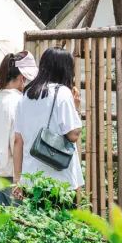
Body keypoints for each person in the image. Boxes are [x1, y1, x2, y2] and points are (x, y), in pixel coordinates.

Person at [12, 47, 83, 199]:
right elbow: (73, 134)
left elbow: (18, 141)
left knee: (32, 222)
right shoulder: (63, 93)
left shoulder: (25, 96)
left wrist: (18, 180)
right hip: (59, 181)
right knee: (62, 221)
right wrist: (76, 109)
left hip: (31, 179)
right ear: (65, 69)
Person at [0, 51, 38, 205]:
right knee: (16, 223)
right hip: (9, 175)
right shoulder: (17, 101)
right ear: (22, 78)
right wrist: (18, 180)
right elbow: (16, 141)